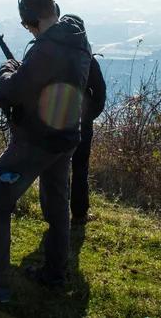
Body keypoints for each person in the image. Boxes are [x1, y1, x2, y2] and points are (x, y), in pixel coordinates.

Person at [0, 0, 91, 302]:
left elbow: (10, 92)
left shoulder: (45, 49)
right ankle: (55, 274)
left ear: (30, 21)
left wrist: (7, 70)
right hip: (66, 137)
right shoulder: (78, 38)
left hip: (35, 142)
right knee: (57, 206)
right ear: (55, 9)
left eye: (27, 25)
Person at [71, 55, 106, 225]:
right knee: (80, 167)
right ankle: (79, 213)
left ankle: (54, 213)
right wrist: (88, 116)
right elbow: (99, 95)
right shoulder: (86, 58)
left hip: (52, 121)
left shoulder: (45, 51)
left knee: (53, 169)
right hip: (81, 122)